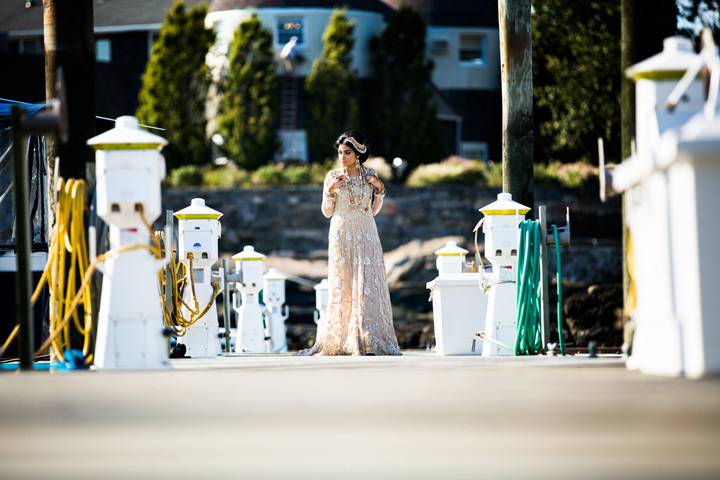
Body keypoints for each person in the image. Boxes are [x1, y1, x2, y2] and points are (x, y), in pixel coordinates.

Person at [300, 131, 401, 356]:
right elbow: (327, 212)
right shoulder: (332, 176)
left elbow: (373, 210)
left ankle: (369, 337)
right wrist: (331, 191)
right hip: (341, 233)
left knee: (368, 282)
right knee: (344, 281)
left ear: (358, 155)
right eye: (340, 153)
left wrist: (380, 189)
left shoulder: (370, 174)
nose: (342, 157)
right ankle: (344, 338)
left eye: (347, 153)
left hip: (366, 232)